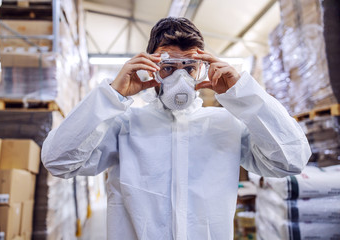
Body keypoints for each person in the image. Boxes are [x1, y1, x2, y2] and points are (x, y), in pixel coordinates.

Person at [41, 17, 311, 239]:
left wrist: (244, 95)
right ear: (152, 68)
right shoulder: (125, 126)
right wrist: (112, 96)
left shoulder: (225, 125)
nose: (180, 78)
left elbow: (292, 160)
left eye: (190, 67)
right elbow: (58, 160)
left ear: (202, 69)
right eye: (168, 66)